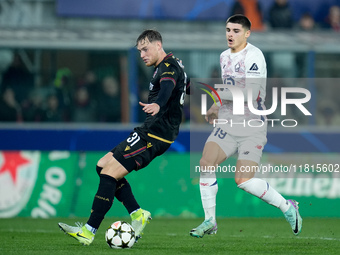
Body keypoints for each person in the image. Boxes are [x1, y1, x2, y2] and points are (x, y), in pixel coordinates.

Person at [58, 29, 190, 245]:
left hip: (155, 134)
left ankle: (89, 230)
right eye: (139, 51)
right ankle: (138, 214)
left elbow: (168, 86)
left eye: (145, 49)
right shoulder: (173, 65)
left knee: (110, 172)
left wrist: (159, 103)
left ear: (158, 45)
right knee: (102, 166)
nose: (142, 55)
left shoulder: (167, 67)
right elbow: (185, 85)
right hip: (150, 130)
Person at [189, 14, 302, 238]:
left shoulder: (254, 55)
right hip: (228, 123)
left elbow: (252, 93)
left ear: (247, 33)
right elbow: (229, 88)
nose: (230, 34)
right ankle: (210, 220)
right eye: (228, 30)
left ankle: (288, 207)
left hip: (252, 124)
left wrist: (218, 94)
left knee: (243, 180)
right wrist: (215, 105)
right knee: (205, 163)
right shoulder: (223, 57)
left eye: (236, 31)